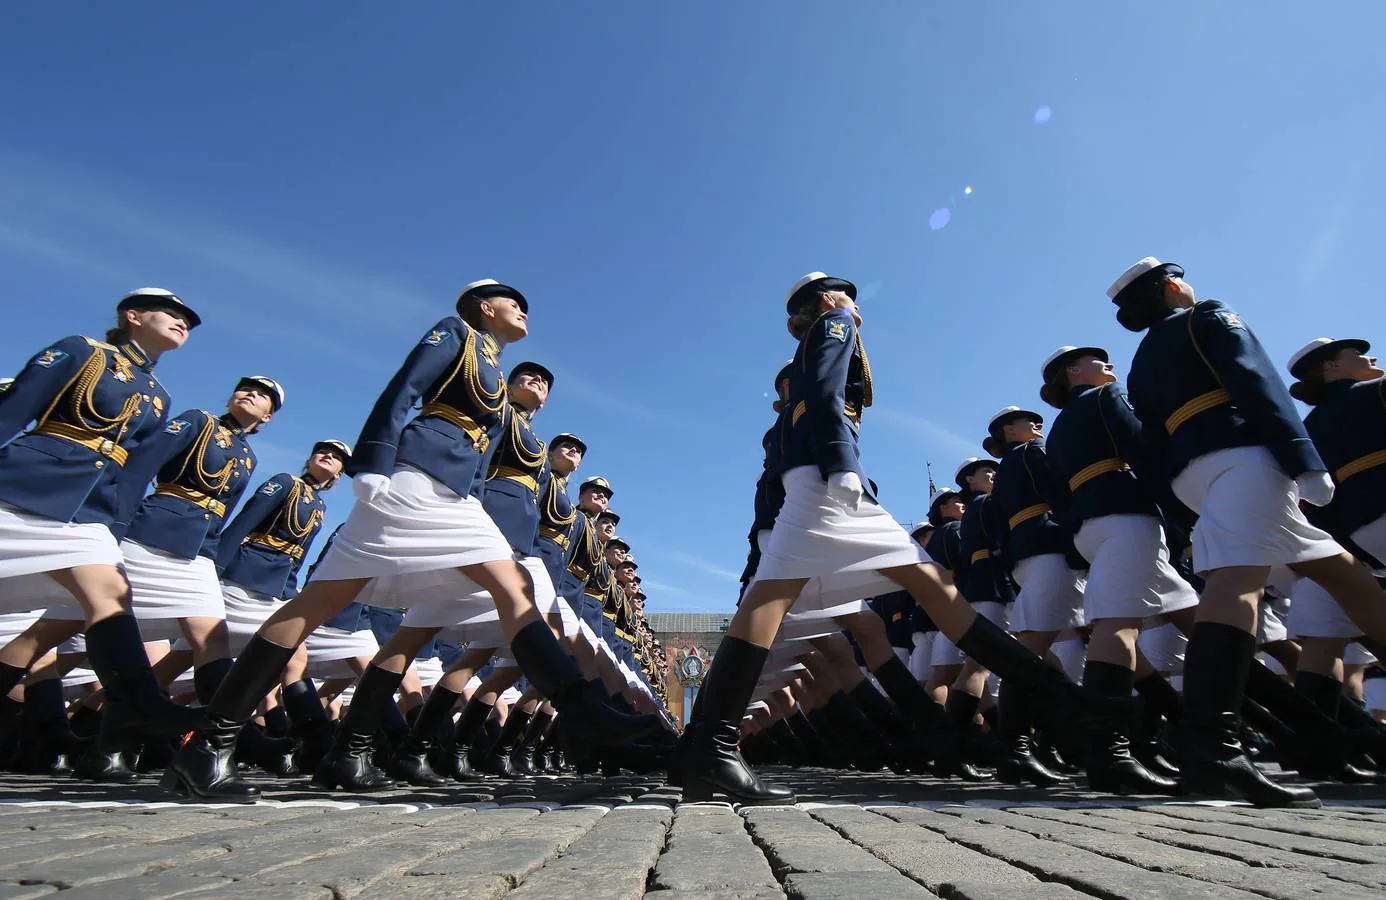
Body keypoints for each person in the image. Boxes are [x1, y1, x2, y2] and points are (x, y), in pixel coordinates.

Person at [163, 280, 656, 801]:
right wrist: (373, 459)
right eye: (516, 305)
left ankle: (345, 751)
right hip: (413, 481)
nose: (525, 313)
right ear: (485, 308)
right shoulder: (455, 335)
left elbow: (481, 452)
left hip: (452, 496)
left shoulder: (487, 361)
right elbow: (404, 389)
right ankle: (213, 746)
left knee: (510, 592)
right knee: (318, 602)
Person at [672, 272, 1125, 805]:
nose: (855, 308)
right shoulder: (834, 323)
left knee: (889, 594)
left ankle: (707, 748)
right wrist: (841, 463)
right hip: (827, 482)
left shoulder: (825, 336)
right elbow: (823, 393)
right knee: (924, 593)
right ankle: (1085, 725)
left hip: (816, 483)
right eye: (848, 297)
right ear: (827, 299)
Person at [1113, 256, 1386, 807]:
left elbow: (1150, 446)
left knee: (1348, 577)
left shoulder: (1140, 362)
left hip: (1194, 471)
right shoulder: (1209, 315)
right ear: (1170, 286)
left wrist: (1180, 505)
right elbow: (1257, 382)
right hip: (1243, 457)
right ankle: (1211, 746)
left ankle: (1297, 741)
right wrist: (1302, 457)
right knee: (1240, 583)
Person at [0, 288, 205, 764]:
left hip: (86, 511)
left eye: (187, 322)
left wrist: (114, 523)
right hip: (25, 486)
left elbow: (132, 469)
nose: (182, 324)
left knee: (110, 595)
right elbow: (12, 413)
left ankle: (139, 704)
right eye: (171, 314)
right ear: (133, 316)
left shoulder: (158, 396)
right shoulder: (81, 351)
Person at [1041, 344, 1196, 794]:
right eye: (1095, 360)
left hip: (1090, 522)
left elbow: (1057, 494)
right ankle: (1110, 753)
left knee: (1201, 622)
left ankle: (1209, 728)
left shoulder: (1057, 428)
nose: (1107, 364)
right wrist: (1184, 507)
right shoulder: (1108, 398)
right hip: (1126, 513)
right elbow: (1143, 451)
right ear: (1073, 372)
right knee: (1118, 625)